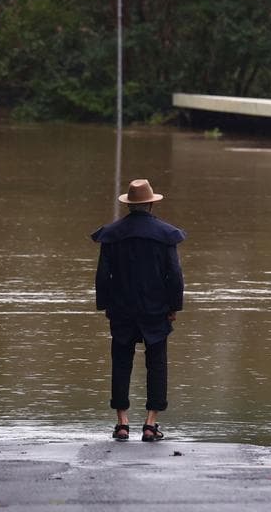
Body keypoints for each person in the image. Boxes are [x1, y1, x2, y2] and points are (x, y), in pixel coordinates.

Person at [91, 179, 186, 441]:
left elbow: (102, 276)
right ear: (151, 204)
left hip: (121, 309)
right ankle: (150, 424)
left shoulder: (112, 234)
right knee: (157, 365)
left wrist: (106, 306)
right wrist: (174, 306)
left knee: (121, 363)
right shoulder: (166, 235)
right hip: (156, 309)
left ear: (129, 205)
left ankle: (122, 423)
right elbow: (174, 275)